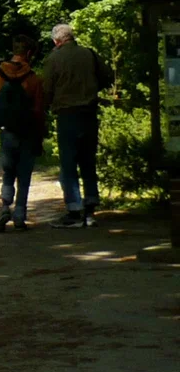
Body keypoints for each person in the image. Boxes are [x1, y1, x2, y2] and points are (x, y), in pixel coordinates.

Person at [38, 22, 114, 228]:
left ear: (57, 40)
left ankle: (73, 210)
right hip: (89, 113)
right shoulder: (89, 54)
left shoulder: (54, 59)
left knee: (69, 163)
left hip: (67, 114)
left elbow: (47, 89)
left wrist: (43, 111)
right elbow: (107, 76)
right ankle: (90, 210)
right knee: (88, 161)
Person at [0, 36, 47, 232]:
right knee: (24, 175)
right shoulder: (35, 79)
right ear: (28, 54)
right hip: (28, 132)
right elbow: (38, 109)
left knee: (8, 171)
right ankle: (20, 214)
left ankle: (4, 207)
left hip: (7, 132)